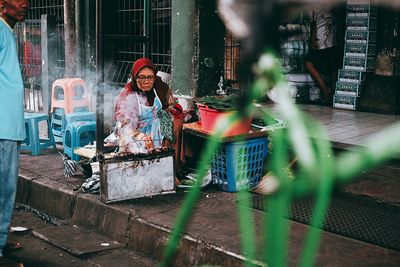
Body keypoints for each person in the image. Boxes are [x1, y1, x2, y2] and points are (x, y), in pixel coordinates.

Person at [0, 0, 30, 266]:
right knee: (3, 187)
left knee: (7, 188)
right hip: (2, 125)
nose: (25, 3)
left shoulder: (7, 30)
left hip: (9, 125)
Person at [114, 58, 184, 160]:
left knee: (177, 125)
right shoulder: (128, 92)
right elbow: (123, 122)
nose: (146, 81)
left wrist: (166, 114)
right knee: (133, 150)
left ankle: (173, 166)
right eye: (141, 77)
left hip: (157, 128)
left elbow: (172, 106)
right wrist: (139, 135)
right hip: (136, 130)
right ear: (134, 77)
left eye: (150, 77)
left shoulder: (160, 86)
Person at [305, 4, 343, 104]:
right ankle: (326, 90)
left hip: (331, 36)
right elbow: (313, 19)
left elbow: (339, 16)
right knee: (309, 64)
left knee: (333, 66)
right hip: (322, 38)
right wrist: (313, 38)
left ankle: (332, 94)